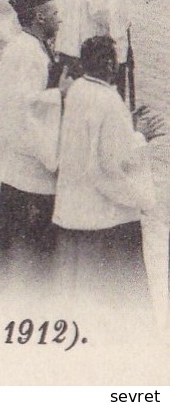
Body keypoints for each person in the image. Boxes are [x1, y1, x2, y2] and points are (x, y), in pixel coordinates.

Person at [52, 36, 160, 311]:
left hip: (74, 211)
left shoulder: (77, 89)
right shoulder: (109, 101)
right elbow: (114, 162)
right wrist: (140, 136)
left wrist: (126, 125)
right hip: (106, 219)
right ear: (111, 64)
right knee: (119, 301)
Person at [0, 0, 64, 298]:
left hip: (19, 160)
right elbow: (29, 107)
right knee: (28, 241)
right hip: (29, 162)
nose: (60, 19)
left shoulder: (29, 45)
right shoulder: (28, 53)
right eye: (55, 14)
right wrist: (62, 95)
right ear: (39, 17)